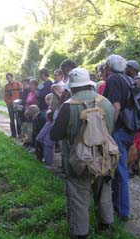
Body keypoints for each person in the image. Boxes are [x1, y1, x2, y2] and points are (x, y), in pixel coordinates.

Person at [50, 68, 115, 238]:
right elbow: (110, 129)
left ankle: (80, 233)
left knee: (78, 195)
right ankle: (106, 225)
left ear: (72, 87)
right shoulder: (106, 103)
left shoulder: (67, 107)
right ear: (89, 83)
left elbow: (54, 135)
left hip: (78, 160)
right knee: (104, 189)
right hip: (104, 156)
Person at [103, 54, 135, 221]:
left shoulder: (114, 79)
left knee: (120, 170)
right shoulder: (128, 79)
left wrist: (109, 129)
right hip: (129, 128)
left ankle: (122, 211)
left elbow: (115, 107)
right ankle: (118, 206)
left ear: (109, 66)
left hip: (119, 129)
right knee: (118, 168)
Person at [4, 73, 22, 138]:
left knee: (18, 119)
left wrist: (20, 102)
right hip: (10, 105)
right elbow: (5, 96)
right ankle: (13, 134)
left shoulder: (18, 84)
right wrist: (8, 102)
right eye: (7, 78)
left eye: (8, 78)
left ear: (12, 77)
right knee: (11, 120)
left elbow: (21, 94)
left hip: (17, 104)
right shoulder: (6, 86)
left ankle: (19, 134)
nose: (8, 79)